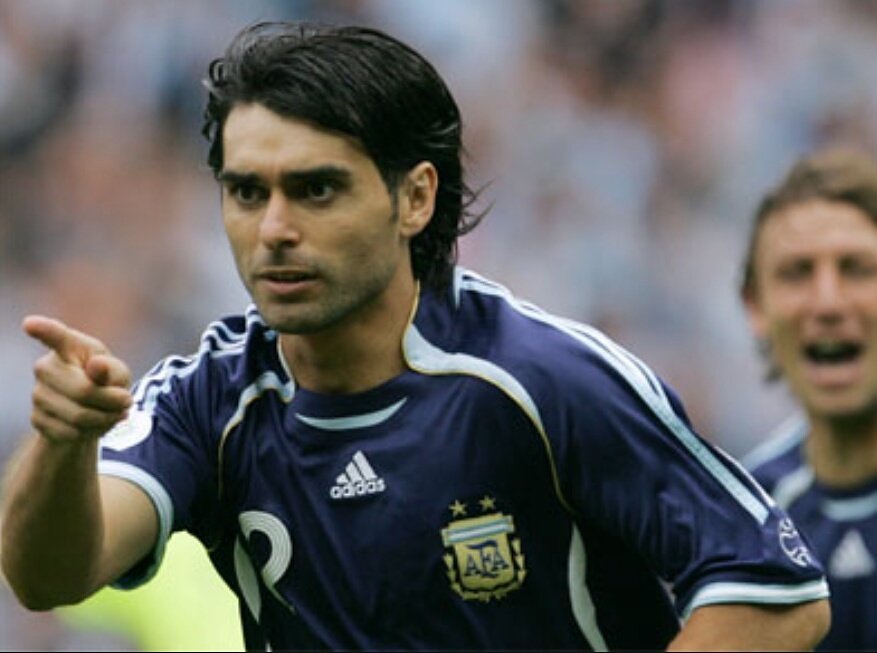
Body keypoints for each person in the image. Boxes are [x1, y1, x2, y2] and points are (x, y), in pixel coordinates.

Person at [1, 21, 830, 651]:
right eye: (247, 192)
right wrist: (62, 443)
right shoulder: (206, 398)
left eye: (316, 189)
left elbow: (774, 590)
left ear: (415, 198)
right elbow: (48, 576)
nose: (274, 229)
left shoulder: (541, 379)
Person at [741, 148, 877, 651]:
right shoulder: (747, 519)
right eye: (797, 272)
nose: (828, 303)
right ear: (755, 306)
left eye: (857, 269)